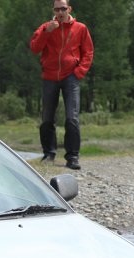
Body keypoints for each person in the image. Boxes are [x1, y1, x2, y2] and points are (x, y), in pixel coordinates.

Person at [30, 0, 93, 170]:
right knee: (47, 118)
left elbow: (88, 52)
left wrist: (79, 72)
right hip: (49, 76)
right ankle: (49, 154)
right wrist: (46, 32)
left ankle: (72, 157)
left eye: (63, 8)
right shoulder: (46, 27)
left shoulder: (80, 28)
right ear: (53, 10)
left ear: (69, 9)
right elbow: (35, 48)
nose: (60, 12)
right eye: (57, 9)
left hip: (71, 77)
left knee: (72, 117)